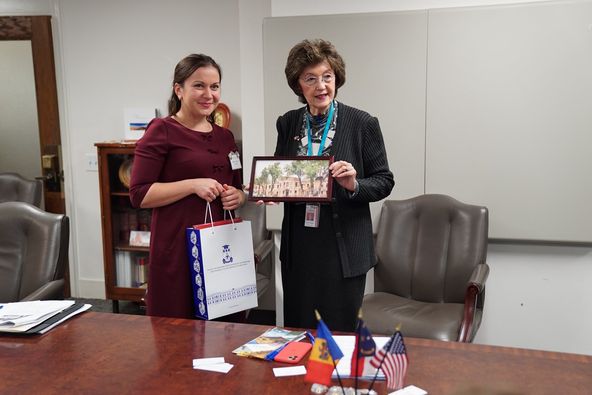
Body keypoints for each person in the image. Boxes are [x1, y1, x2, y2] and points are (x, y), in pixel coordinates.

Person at [274, 39, 394, 332]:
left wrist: (354, 184)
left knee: (339, 337)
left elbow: (384, 181)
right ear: (298, 84)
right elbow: (281, 172)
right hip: (299, 249)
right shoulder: (288, 123)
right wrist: (271, 191)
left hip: (343, 251)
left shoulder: (362, 123)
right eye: (310, 78)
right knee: (299, 333)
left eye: (327, 77)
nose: (321, 86)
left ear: (336, 78)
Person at [129, 54, 246, 319]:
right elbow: (139, 194)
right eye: (199, 85)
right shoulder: (162, 130)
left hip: (223, 248)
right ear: (179, 89)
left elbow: (238, 188)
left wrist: (238, 196)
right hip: (179, 250)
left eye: (214, 86)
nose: (209, 94)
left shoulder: (225, 136)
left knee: (228, 331)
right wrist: (192, 185)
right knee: (178, 335)